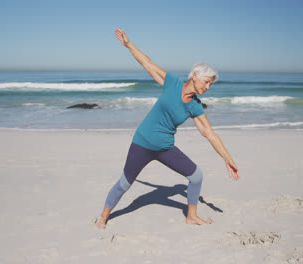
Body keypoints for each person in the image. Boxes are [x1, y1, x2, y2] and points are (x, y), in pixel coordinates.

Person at [95, 29, 240, 229]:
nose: (207, 87)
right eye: (207, 82)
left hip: (165, 148)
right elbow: (147, 63)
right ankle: (102, 217)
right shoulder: (172, 83)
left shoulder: (195, 106)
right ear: (195, 76)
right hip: (142, 143)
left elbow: (209, 134)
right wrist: (128, 44)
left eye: (210, 84)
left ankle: (192, 216)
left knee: (196, 176)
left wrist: (228, 159)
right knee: (125, 183)